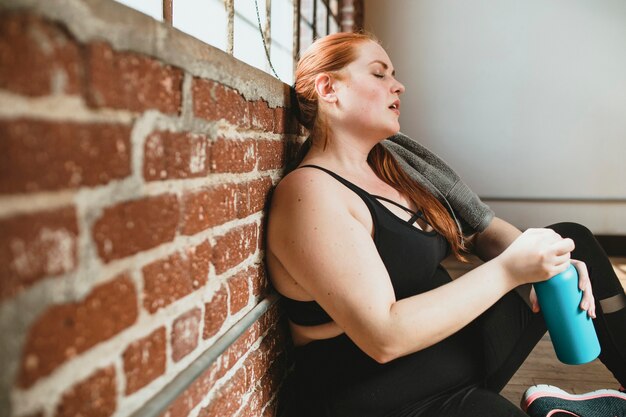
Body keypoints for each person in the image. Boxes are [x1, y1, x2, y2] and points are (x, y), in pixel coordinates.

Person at [265, 32, 626, 417]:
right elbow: (383, 337)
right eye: (379, 74)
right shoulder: (309, 194)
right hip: (394, 397)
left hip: (457, 350)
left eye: (393, 75)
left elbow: (480, 230)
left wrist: (544, 261)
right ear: (329, 88)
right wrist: (510, 271)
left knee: (569, 241)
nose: (398, 85)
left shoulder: (392, 167)